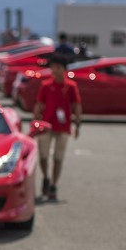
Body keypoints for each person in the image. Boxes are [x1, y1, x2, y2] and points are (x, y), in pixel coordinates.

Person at [30, 54, 81, 201]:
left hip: (63, 127)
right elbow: (39, 103)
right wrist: (35, 121)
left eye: (58, 67)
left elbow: (77, 105)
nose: (55, 70)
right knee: (43, 155)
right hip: (46, 125)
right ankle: (45, 177)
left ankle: (53, 184)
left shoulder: (71, 86)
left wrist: (77, 123)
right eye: (53, 67)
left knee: (58, 158)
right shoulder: (46, 85)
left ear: (64, 69)